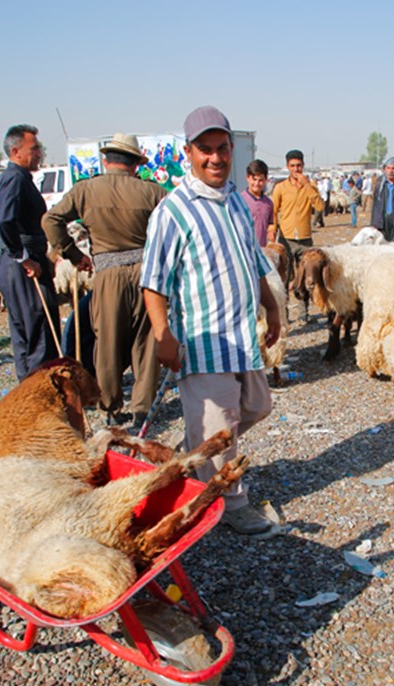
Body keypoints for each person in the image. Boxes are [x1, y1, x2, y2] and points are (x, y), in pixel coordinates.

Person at [141, 105, 282, 536]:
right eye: (206, 150)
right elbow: (154, 282)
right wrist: (163, 336)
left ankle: (194, 455)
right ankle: (230, 504)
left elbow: (253, 262)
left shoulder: (237, 203)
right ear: (189, 152)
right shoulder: (173, 211)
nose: (216, 158)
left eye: (222, 149)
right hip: (203, 343)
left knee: (257, 406)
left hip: (241, 338)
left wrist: (272, 307)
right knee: (220, 425)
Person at [42, 132, 166, 427]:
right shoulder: (153, 192)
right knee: (146, 342)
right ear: (135, 164)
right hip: (147, 274)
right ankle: (142, 409)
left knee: (108, 341)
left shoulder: (86, 190)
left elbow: (50, 220)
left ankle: (110, 407)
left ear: (106, 160)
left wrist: (73, 255)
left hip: (107, 274)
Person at [0, 124, 60, 381]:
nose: (39, 153)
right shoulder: (13, 179)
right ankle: (39, 396)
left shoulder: (18, 179)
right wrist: (24, 258)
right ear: (16, 151)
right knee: (37, 330)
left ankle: (30, 392)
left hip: (21, 258)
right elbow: (4, 222)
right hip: (21, 261)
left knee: (26, 333)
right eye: (35, 149)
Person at [271, 149, 323, 281]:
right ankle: (284, 302)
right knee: (285, 277)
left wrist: (307, 186)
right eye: (292, 166)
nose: (296, 169)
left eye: (298, 165)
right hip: (286, 238)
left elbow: (320, 206)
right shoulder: (280, 187)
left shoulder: (310, 187)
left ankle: (303, 302)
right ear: (288, 167)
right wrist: (272, 229)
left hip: (304, 239)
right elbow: (274, 210)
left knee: (306, 277)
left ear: (303, 166)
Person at [240, 159, 275, 249]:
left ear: (266, 180)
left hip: (261, 250)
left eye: (260, 180)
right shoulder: (238, 200)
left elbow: (270, 223)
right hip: (244, 249)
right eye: (254, 179)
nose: (257, 183)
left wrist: (271, 232)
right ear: (247, 178)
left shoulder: (269, 203)